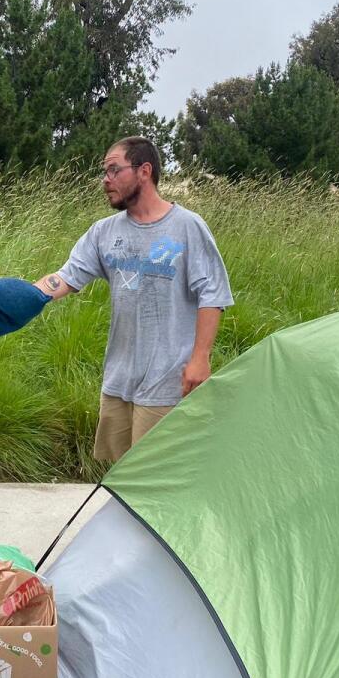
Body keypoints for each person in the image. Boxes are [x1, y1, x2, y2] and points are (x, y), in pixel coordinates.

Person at [34, 136, 232, 464]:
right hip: (119, 381)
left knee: (154, 480)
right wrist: (16, 298)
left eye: (114, 170)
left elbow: (212, 294)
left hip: (166, 383)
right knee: (116, 475)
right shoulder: (103, 232)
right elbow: (64, 278)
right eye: (104, 172)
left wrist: (201, 358)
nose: (105, 180)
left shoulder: (187, 227)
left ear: (144, 171)